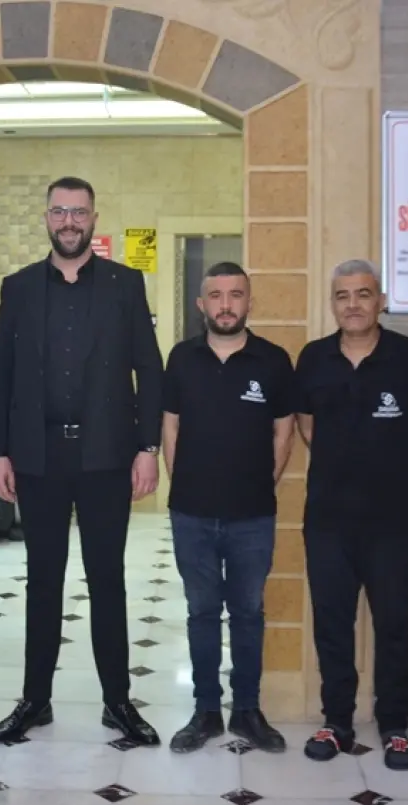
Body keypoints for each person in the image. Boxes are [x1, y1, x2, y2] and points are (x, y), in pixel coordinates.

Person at [0, 176, 164, 745]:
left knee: (107, 580)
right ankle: (35, 700)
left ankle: (117, 702)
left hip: (107, 456)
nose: (68, 222)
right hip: (39, 458)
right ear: (46, 218)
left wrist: (148, 448)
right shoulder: (18, 288)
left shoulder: (125, 284)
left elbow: (149, 369)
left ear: (93, 219)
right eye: (59, 211)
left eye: (78, 212)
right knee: (43, 580)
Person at [295, 259, 408, 770]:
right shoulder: (314, 358)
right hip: (328, 520)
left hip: (392, 521)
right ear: (333, 303)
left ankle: (395, 725)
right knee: (332, 624)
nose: (352, 304)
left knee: (393, 625)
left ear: (381, 300)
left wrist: (393, 468)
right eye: (342, 295)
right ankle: (337, 721)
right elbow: (306, 423)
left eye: (363, 294)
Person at [161, 261, 295, 754]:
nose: (225, 305)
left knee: (248, 613)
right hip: (191, 513)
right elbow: (170, 426)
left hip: (252, 515)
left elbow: (284, 432)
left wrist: (261, 483)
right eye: (215, 296)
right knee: (201, 613)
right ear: (202, 304)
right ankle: (205, 711)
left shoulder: (273, 361)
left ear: (248, 302)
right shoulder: (182, 358)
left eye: (235, 295)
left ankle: (247, 711)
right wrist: (184, 484)